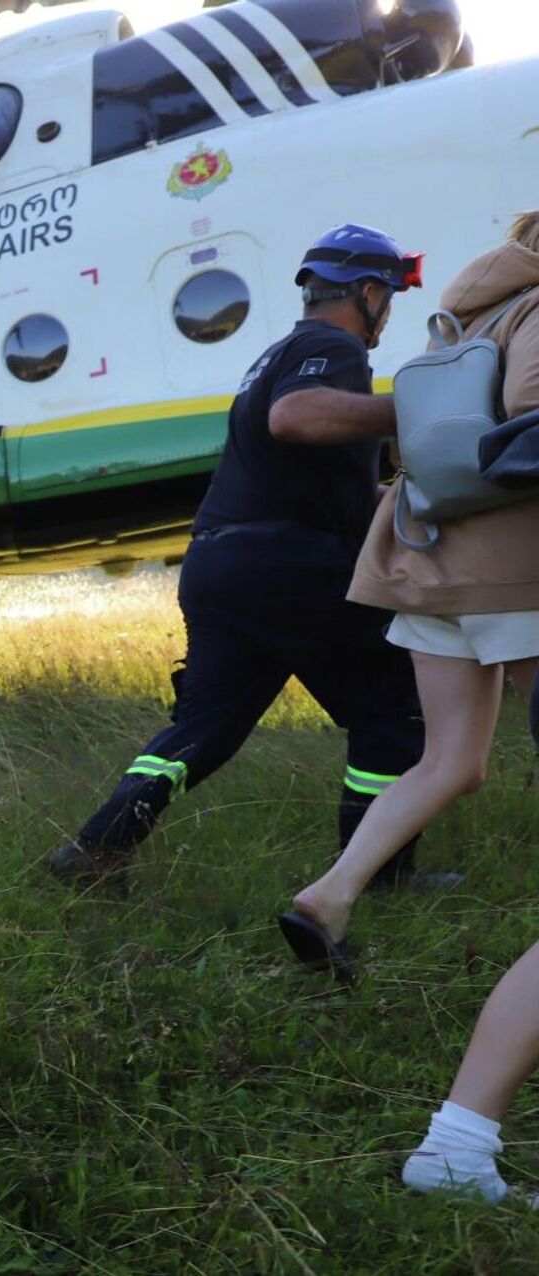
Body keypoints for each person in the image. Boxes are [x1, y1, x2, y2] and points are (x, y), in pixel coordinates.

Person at [45, 225, 440, 893]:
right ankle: (381, 875)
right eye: (390, 299)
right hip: (289, 564)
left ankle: (96, 848)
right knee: (391, 705)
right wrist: (415, 410)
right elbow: (295, 418)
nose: (387, 315)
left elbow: (314, 465)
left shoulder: (279, 353)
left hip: (221, 565)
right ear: (370, 293)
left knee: (205, 726)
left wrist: (404, 498)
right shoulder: (329, 348)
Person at [282, 214, 539, 982]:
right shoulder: (535, 310)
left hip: (429, 557)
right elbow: (532, 404)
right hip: (511, 570)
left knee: (450, 761)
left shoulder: (463, 315)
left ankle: (328, 896)